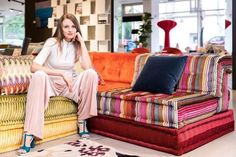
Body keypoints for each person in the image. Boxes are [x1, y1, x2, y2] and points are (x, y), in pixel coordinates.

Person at [17, 13, 98, 155]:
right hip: (51, 84)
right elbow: (34, 67)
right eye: (66, 26)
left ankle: (82, 120)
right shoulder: (52, 42)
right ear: (60, 28)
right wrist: (60, 73)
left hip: (69, 86)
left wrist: (82, 42)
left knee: (91, 74)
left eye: (73, 26)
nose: (70, 30)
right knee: (39, 75)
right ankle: (29, 134)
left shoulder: (76, 45)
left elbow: (87, 67)